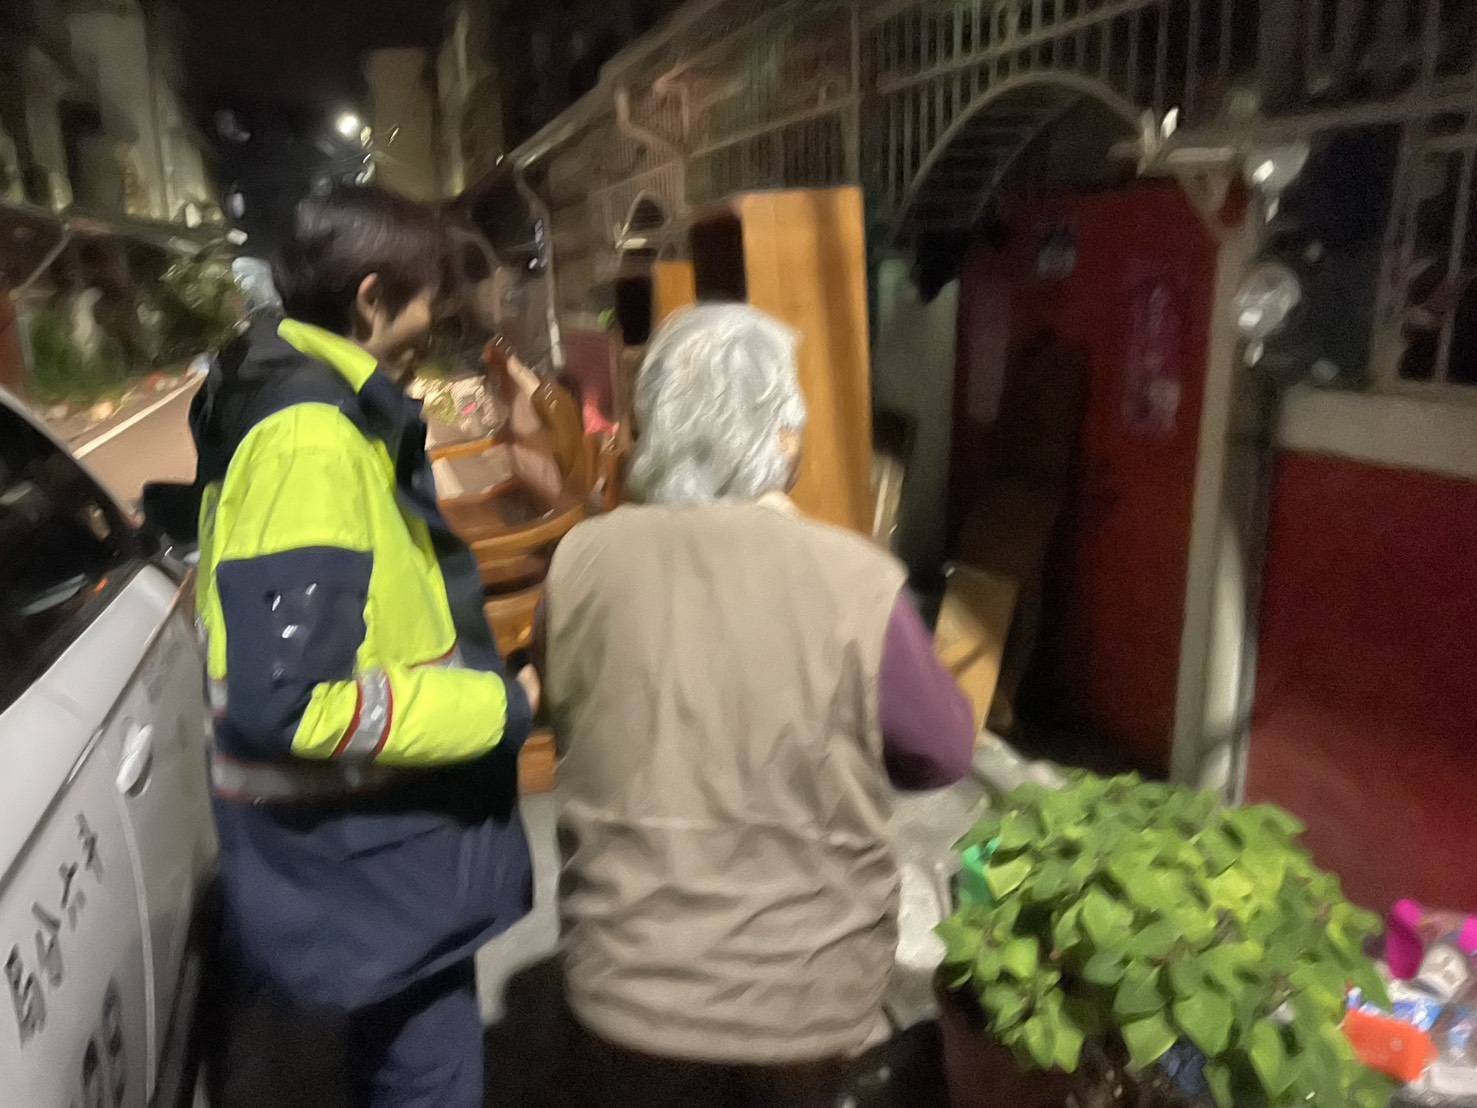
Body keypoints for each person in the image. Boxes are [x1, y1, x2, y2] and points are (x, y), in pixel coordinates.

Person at [539, 303, 977, 1106]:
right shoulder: (855, 578)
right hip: (804, 999)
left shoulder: (581, 560)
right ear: (781, 437)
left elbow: (566, 703)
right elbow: (940, 751)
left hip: (622, 985)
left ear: (651, 430)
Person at [190, 185, 537, 1107]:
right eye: (428, 306)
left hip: (363, 857)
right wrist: (495, 705)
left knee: (393, 1058)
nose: (435, 328)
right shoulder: (311, 439)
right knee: (429, 1077)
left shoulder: (286, 396)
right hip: (374, 853)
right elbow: (294, 700)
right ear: (372, 299)